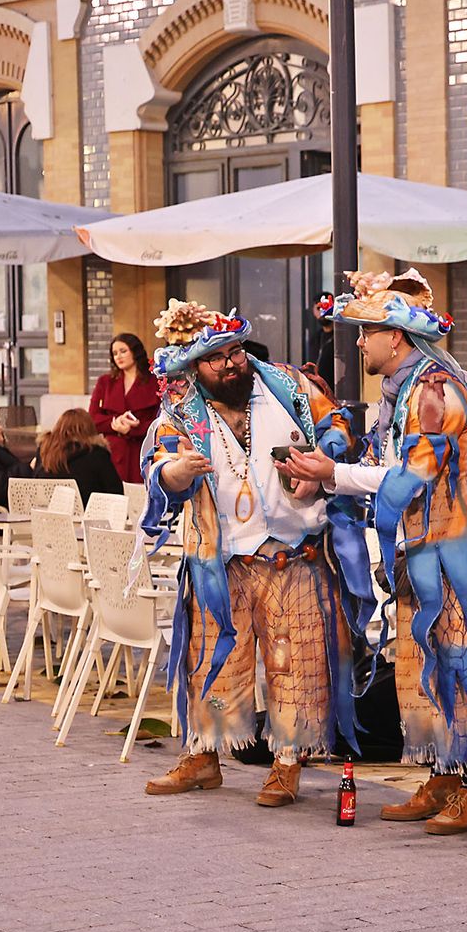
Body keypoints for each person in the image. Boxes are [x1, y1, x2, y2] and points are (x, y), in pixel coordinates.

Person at [280, 269, 467, 836]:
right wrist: (331, 474)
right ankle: (439, 773)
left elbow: (413, 474)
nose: (357, 343)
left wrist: (334, 472)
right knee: (416, 667)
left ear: (396, 338)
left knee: (456, 662)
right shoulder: (403, 390)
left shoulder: (433, 391)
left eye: (366, 332)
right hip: (418, 550)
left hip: (449, 549)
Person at [139, 300, 367, 807]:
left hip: (296, 556)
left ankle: (288, 764)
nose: (231, 363)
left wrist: (324, 452)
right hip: (221, 563)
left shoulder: (285, 384)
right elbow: (159, 469)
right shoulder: (181, 411)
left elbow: (340, 422)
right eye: (216, 358)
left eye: (235, 351)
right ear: (194, 368)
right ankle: (204, 756)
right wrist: (176, 474)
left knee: (295, 664)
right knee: (213, 663)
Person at [89, 333, 161, 484]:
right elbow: (92, 418)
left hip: (142, 450)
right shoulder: (105, 382)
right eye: (114, 353)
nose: (118, 357)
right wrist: (115, 421)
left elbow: (161, 421)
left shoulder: (154, 381)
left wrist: (135, 429)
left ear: (135, 351)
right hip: (113, 453)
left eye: (123, 351)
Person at [33, 408, 123, 505]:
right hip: (89, 516)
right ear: (90, 430)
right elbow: (116, 494)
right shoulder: (97, 454)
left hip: (47, 515)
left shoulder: (44, 451)